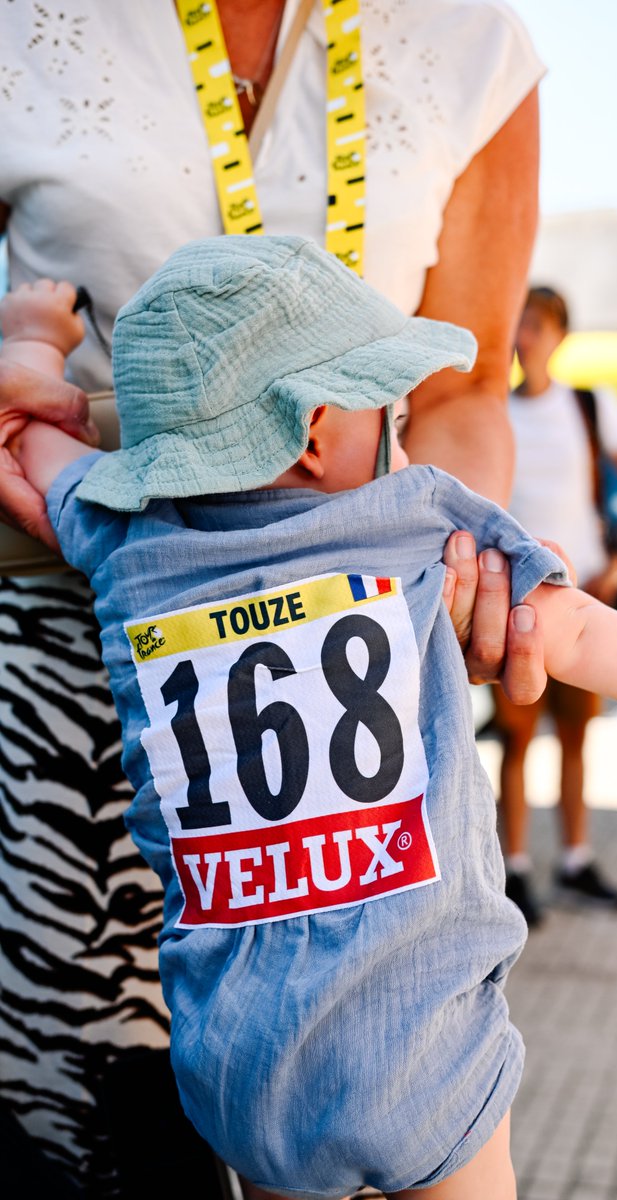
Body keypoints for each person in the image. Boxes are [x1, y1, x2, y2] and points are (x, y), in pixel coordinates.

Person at [0, 237, 617, 1200]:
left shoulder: (122, 541)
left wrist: (31, 337)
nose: (406, 447)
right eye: (396, 418)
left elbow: (32, 441)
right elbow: (574, 628)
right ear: (314, 432)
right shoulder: (408, 518)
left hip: (236, 1069)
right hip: (426, 1050)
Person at [0, 1, 548, 1190]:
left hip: (354, 676)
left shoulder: (467, 38)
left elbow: (465, 385)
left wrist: (463, 554)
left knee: (382, 1077)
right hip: (67, 696)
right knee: (95, 1144)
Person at [493, 285, 617, 925]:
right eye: (519, 323)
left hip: (583, 595)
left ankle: (574, 861)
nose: (524, 336)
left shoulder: (588, 405)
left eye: (536, 325)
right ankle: (514, 870)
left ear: (559, 335)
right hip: (519, 601)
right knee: (515, 740)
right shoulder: (494, 410)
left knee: (574, 736)